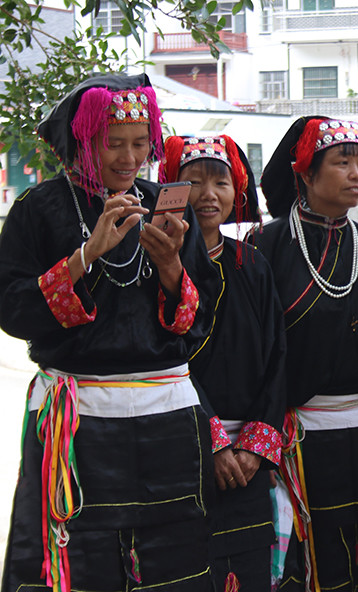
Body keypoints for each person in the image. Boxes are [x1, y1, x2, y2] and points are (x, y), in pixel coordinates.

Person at [0, 74, 218, 591]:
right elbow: (12, 309)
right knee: (76, 561)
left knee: (171, 560)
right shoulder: (38, 208)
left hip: (165, 413)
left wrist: (170, 266)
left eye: (140, 143)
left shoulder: (168, 205)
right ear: (82, 141)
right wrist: (85, 255)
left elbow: (200, 317)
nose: (128, 157)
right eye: (112, 143)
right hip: (76, 419)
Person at [253, 117, 358, 592]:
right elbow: (255, 348)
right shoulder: (266, 246)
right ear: (305, 173)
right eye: (343, 162)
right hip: (308, 434)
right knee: (319, 564)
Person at [159, 134, 287, 591]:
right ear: (169, 190)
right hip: (185, 447)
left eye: (222, 182)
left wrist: (255, 443)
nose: (209, 195)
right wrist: (211, 439)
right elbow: (168, 363)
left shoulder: (252, 263)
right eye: (193, 182)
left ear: (239, 192)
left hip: (249, 457)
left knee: (248, 569)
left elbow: (276, 355)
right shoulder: (157, 263)